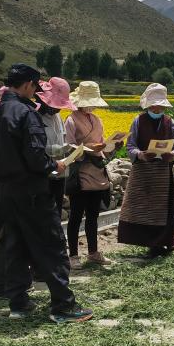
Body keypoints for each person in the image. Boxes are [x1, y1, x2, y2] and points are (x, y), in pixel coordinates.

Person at [0, 63, 92, 323]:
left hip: (5, 191)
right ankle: (63, 306)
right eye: (34, 87)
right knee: (51, 245)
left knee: (15, 246)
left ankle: (19, 303)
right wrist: (54, 165)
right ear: (27, 85)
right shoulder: (26, 114)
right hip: (32, 191)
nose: (35, 93)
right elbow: (35, 157)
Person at [117, 83, 174, 258]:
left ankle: (166, 241)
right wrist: (141, 154)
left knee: (163, 209)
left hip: (162, 173)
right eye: (153, 106)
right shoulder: (138, 121)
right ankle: (151, 244)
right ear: (148, 106)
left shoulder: (170, 122)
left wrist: (172, 155)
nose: (157, 109)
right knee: (144, 209)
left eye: (160, 106)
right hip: (143, 172)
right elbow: (130, 146)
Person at [65, 81, 121, 267]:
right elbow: (68, 147)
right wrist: (88, 148)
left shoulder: (97, 121)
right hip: (80, 173)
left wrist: (112, 147)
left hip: (97, 173)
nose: (91, 106)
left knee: (93, 216)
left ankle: (93, 252)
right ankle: (73, 255)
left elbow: (102, 148)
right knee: (75, 216)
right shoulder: (71, 120)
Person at [35, 76, 77, 213]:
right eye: (55, 105)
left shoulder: (57, 117)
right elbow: (33, 149)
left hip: (59, 174)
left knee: (56, 213)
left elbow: (62, 138)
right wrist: (57, 149)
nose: (58, 109)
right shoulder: (34, 117)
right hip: (42, 176)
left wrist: (69, 150)